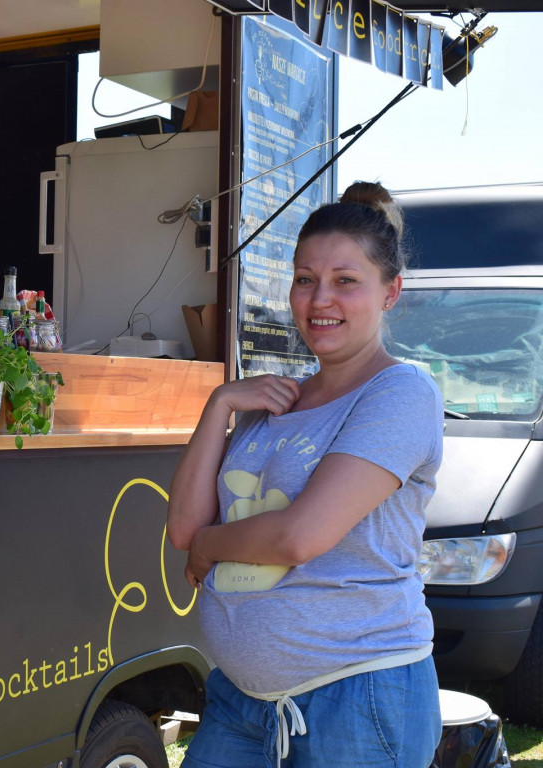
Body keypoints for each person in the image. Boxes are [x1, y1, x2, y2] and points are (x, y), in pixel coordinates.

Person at [167, 181, 444, 767]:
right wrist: (218, 404)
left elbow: (299, 536)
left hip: (357, 697)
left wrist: (210, 547)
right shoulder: (274, 400)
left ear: (390, 291)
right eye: (304, 279)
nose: (321, 299)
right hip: (242, 700)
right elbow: (183, 530)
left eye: (346, 281)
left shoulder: (401, 393)